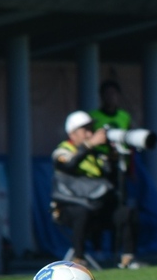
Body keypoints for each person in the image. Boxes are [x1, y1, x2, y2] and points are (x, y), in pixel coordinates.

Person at [51, 111, 140, 270]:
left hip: (96, 207)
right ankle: (79, 258)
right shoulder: (63, 150)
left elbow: (112, 182)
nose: (90, 134)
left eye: (91, 129)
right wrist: (89, 145)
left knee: (126, 212)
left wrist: (114, 157)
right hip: (70, 207)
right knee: (81, 212)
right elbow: (68, 165)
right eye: (85, 130)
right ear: (72, 133)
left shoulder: (97, 154)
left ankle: (128, 259)